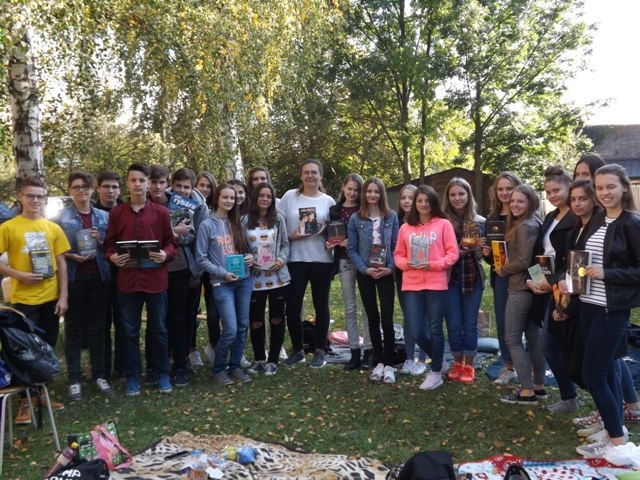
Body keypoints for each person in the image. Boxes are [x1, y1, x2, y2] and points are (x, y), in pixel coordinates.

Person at [568, 164, 640, 458]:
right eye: (599, 188)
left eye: (610, 186)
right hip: (588, 305)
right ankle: (614, 429)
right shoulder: (599, 220)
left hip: (612, 309)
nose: (605, 192)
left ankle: (617, 443)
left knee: (594, 374)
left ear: (624, 187)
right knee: (607, 370)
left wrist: (607, 273)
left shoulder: (631, 223)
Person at [103, 163, 177, 396]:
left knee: (159, 330)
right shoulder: (117, 213)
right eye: (133, 180)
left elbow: (171, 243)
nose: (137, 184)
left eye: (142, 180)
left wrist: (165, 254)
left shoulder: (161, 213)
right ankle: (133, 377)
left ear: (148, 183)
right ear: (127, 183)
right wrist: (112, 257)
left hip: (155, 281)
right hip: (128, 282)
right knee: (128, 332)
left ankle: (162, 373)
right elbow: (109, 245)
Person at [0, 176, 69, 424]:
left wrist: (63, 296)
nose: (35, 200)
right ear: (21, 197)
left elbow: (61, 263)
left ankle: (41, 394)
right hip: (24, 302)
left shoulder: (53, 228)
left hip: (51, 299)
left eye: (40, 196)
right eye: (30, 196)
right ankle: (24, 402)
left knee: (46, 348)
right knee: (23, 352)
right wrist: (18, 275)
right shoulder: (8, 227)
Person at [394, 185, 459, 391]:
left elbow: (453, 254)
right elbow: (398, 255)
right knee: (416, 330)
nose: (423, 204)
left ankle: (435, 373)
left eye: (427, 200)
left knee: (435, 329)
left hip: (436, 283)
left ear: (433, 203)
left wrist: (433, 265)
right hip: (411, 284)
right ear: (415, 203)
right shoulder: (405, 228)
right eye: (419, 201)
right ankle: (439, 360)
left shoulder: (443, 224)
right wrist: (406, 264)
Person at [54, 172, 112, 401]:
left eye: (85, 187)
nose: (81, 190)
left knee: (98, 328)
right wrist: (70, 255)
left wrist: (100, 241)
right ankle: (75, 379)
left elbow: (111, 248)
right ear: (70, 190)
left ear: (92, 189)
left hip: (99, 278)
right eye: (77, 187)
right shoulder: (61, 218)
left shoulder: (103, 217)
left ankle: (99, 375)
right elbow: (54, 250)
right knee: (74, 329)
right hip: (74, 279)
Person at [528, 166, 578, 413]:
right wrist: (535, 280)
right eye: (548, 192)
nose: (552, 195)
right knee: (549, 344)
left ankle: (572, 397)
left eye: (557, 190)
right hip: (549, 287)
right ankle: (569, 396)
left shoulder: (577, 219)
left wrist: (554, 281)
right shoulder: (550, 217)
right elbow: (540, 253)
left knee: (555, 344)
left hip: (568, 287)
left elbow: (574, 258)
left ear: (570, 187)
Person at [279, 159, 335, 368]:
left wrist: (326, 229)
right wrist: (291, 236)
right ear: (301, 175)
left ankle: (320, 351)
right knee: (292, 306)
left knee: (321, 305)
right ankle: (298, 350)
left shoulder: (328, 201)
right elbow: (278, 226)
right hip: (295, 259)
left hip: (322, 260)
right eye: (306, 172)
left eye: (314, 172)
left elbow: (336, 229)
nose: (310, 176)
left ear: (320, 175)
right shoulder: (289, 197)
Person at [196, 183, 253, 386]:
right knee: (230, 329)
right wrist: (222, 273)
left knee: (242, 326)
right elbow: (201, 259)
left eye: (232, 198)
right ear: (217, 199)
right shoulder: (207, 225)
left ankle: (235, 366)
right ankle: (219, 369)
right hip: (222, 283)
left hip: (244, 281)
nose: (229, 201)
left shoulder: (237, 223)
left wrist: (249, 257)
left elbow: (246, 249)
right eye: (225, 197)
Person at [496, 185, 545, 405]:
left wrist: (503, 270)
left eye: (520, 201)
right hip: (531, 285)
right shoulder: (530, 222)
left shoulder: (526, 225)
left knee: (513, 339)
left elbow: (524, 260)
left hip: (520, 287)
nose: (515, 204)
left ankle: (527, 391)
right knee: (533, 339)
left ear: (530, 203)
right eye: (513, 201)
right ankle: (538, 386)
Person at [347, 178, 398, 383]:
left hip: (385, 273)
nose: (373, 195)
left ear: (381, 194)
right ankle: (378, 361)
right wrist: (364, 269)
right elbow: (351, 248)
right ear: (364, 194)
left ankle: (390, 364)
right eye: (369, 191)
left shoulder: (390, 216)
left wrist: (390, 268)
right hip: (366, 273)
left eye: (376, 192)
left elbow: (396, 245)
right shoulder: (356, 218)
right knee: (372, 318)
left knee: (387, 319)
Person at [165, 168, 209, 386]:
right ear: (172, 185)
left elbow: (197, 238)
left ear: (192, 187)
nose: (182, 191)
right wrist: (172, 232)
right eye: (178, 186)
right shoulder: (163, 200)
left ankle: (182, 360)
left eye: (186, 187)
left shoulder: (199, 206)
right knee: (166, 316)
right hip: (165, 266)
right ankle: (164, 360)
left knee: (185, 316)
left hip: (189, 266)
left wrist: (197, 270)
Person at [244, 182, 291, 376]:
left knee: (276, 319)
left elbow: (286, 245)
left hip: (277, 277)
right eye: (261, 195)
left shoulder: (278, 218)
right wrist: (248, 258)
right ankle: (259, 359)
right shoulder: (245, 219)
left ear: (272, 199)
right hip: (254, 279)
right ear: (255, 197)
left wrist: (281, 260)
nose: (265, 199)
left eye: (268, 196)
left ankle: (273, 360)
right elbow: (241, 245)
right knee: (256, 321)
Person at [442, 177, 486, 384]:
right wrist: (455, 252)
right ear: (447, 197)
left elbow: (482, 256)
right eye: (453, 194)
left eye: (461, 193)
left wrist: (481, 248)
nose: (457, 198)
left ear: (468, 195)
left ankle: (469, 364)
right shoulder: (442, 221)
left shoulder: (479, 221)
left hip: (472, 278)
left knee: (469, 324)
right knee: (453, 324)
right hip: (449, 278)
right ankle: (457, 362)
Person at [481, 172, 522, 386]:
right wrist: (487, 253)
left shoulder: (524, 216)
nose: (505, 193)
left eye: (509, 188)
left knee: (526, 325)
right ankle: (509, 367)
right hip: (501, 278)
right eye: (500, 189)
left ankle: (529, 368)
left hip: (523, 278)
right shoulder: (493, 220)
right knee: (503, 323)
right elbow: (492, 260)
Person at [327, 173, 371, 370]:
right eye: (349, 189)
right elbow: (331, 234)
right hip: (344, 261)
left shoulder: (365, 209)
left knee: (366, 307)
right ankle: (354, 350)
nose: (352, 193)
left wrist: (352, 241)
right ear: (343, 188)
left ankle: (369, 349)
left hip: (363, 261)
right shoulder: (335, 211)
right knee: (350, 306)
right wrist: (329, 243)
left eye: (356, 190)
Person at [93, 170, 124, 379]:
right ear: (98, 189)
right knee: (101, 323)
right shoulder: (91, 212)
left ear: (119, 190)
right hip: (98, 275)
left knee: (123, 322)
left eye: (114, 187)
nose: (110, 191)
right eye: (106, 186)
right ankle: (102, 369)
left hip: (123, 274)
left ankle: (122, 367)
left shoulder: (125, 211)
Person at [395, 185, 428, 376]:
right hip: (402, 276)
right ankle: (409, 358)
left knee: (424, 318)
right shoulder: (395, 221)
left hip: (425, 276)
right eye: (403, 198)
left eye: (411, 198)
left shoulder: (427, 221)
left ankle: (422, 358)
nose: (407, 201)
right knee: (408, 317)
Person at [194, 170, 218, 364]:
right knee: (192, 307)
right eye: (201, 185)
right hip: (194, 264)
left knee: (214, 308)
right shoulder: (189, 206)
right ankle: (191, 348)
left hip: (213, 265)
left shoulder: (218, 208)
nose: (205, 189)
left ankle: (214, 345)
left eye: (209, 186)